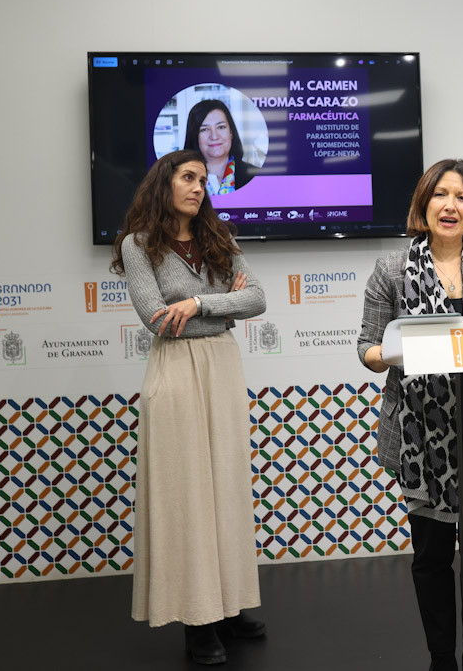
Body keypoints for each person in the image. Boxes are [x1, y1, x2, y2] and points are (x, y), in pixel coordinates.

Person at [356, 159, 463, 671]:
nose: (451, 206)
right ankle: (442, 657)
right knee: (431, 557)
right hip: (419, 434)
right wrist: (401, 351)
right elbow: (367, 347)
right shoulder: (391, 268)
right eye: (441, 195)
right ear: (424, 204)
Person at [111, 149, 267, 665]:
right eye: (188, 177)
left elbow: (258, 300)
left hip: (221, 369)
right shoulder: (138, 245)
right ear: (165, 183)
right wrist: (223, 307)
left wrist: (198, 304)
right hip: (175, 370)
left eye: (203, 179)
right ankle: (198, 622)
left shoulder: (219, 239)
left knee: (225, 487)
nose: (199, 187)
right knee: (186, 497)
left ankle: (229, 605)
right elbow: (157, 319)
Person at [183, 99, 257, 195]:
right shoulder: (178, 181)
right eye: (204, 129)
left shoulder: (256, 176)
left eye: (221, 127)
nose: (214, 136)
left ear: (231, 132)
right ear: (194, 136)